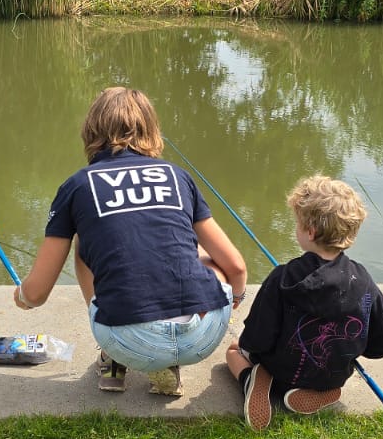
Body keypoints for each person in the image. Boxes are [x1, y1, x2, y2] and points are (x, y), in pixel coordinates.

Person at [14, 86, 247, 396]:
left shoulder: (77, 185)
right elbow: (236, 267)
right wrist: (235, 297)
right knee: (201, 251)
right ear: (150, 129)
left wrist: (22, 297)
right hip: (202, 337)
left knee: (86, 241)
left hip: (126, 341)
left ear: (91, 129)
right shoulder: (177, 175)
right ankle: (168, 358)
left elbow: (36, 294)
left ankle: (113, 356)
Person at [226, 174, 383, 430]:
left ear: (310, 232)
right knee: (323, 372)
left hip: (280, 371)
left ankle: (251, 378)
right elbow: (382, 344)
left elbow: (256, 339)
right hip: (331, 376)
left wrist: (248, 347)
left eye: (297, 223)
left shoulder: (282, 278)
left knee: (233, 350)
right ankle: (318, 392)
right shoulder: (364, 280)